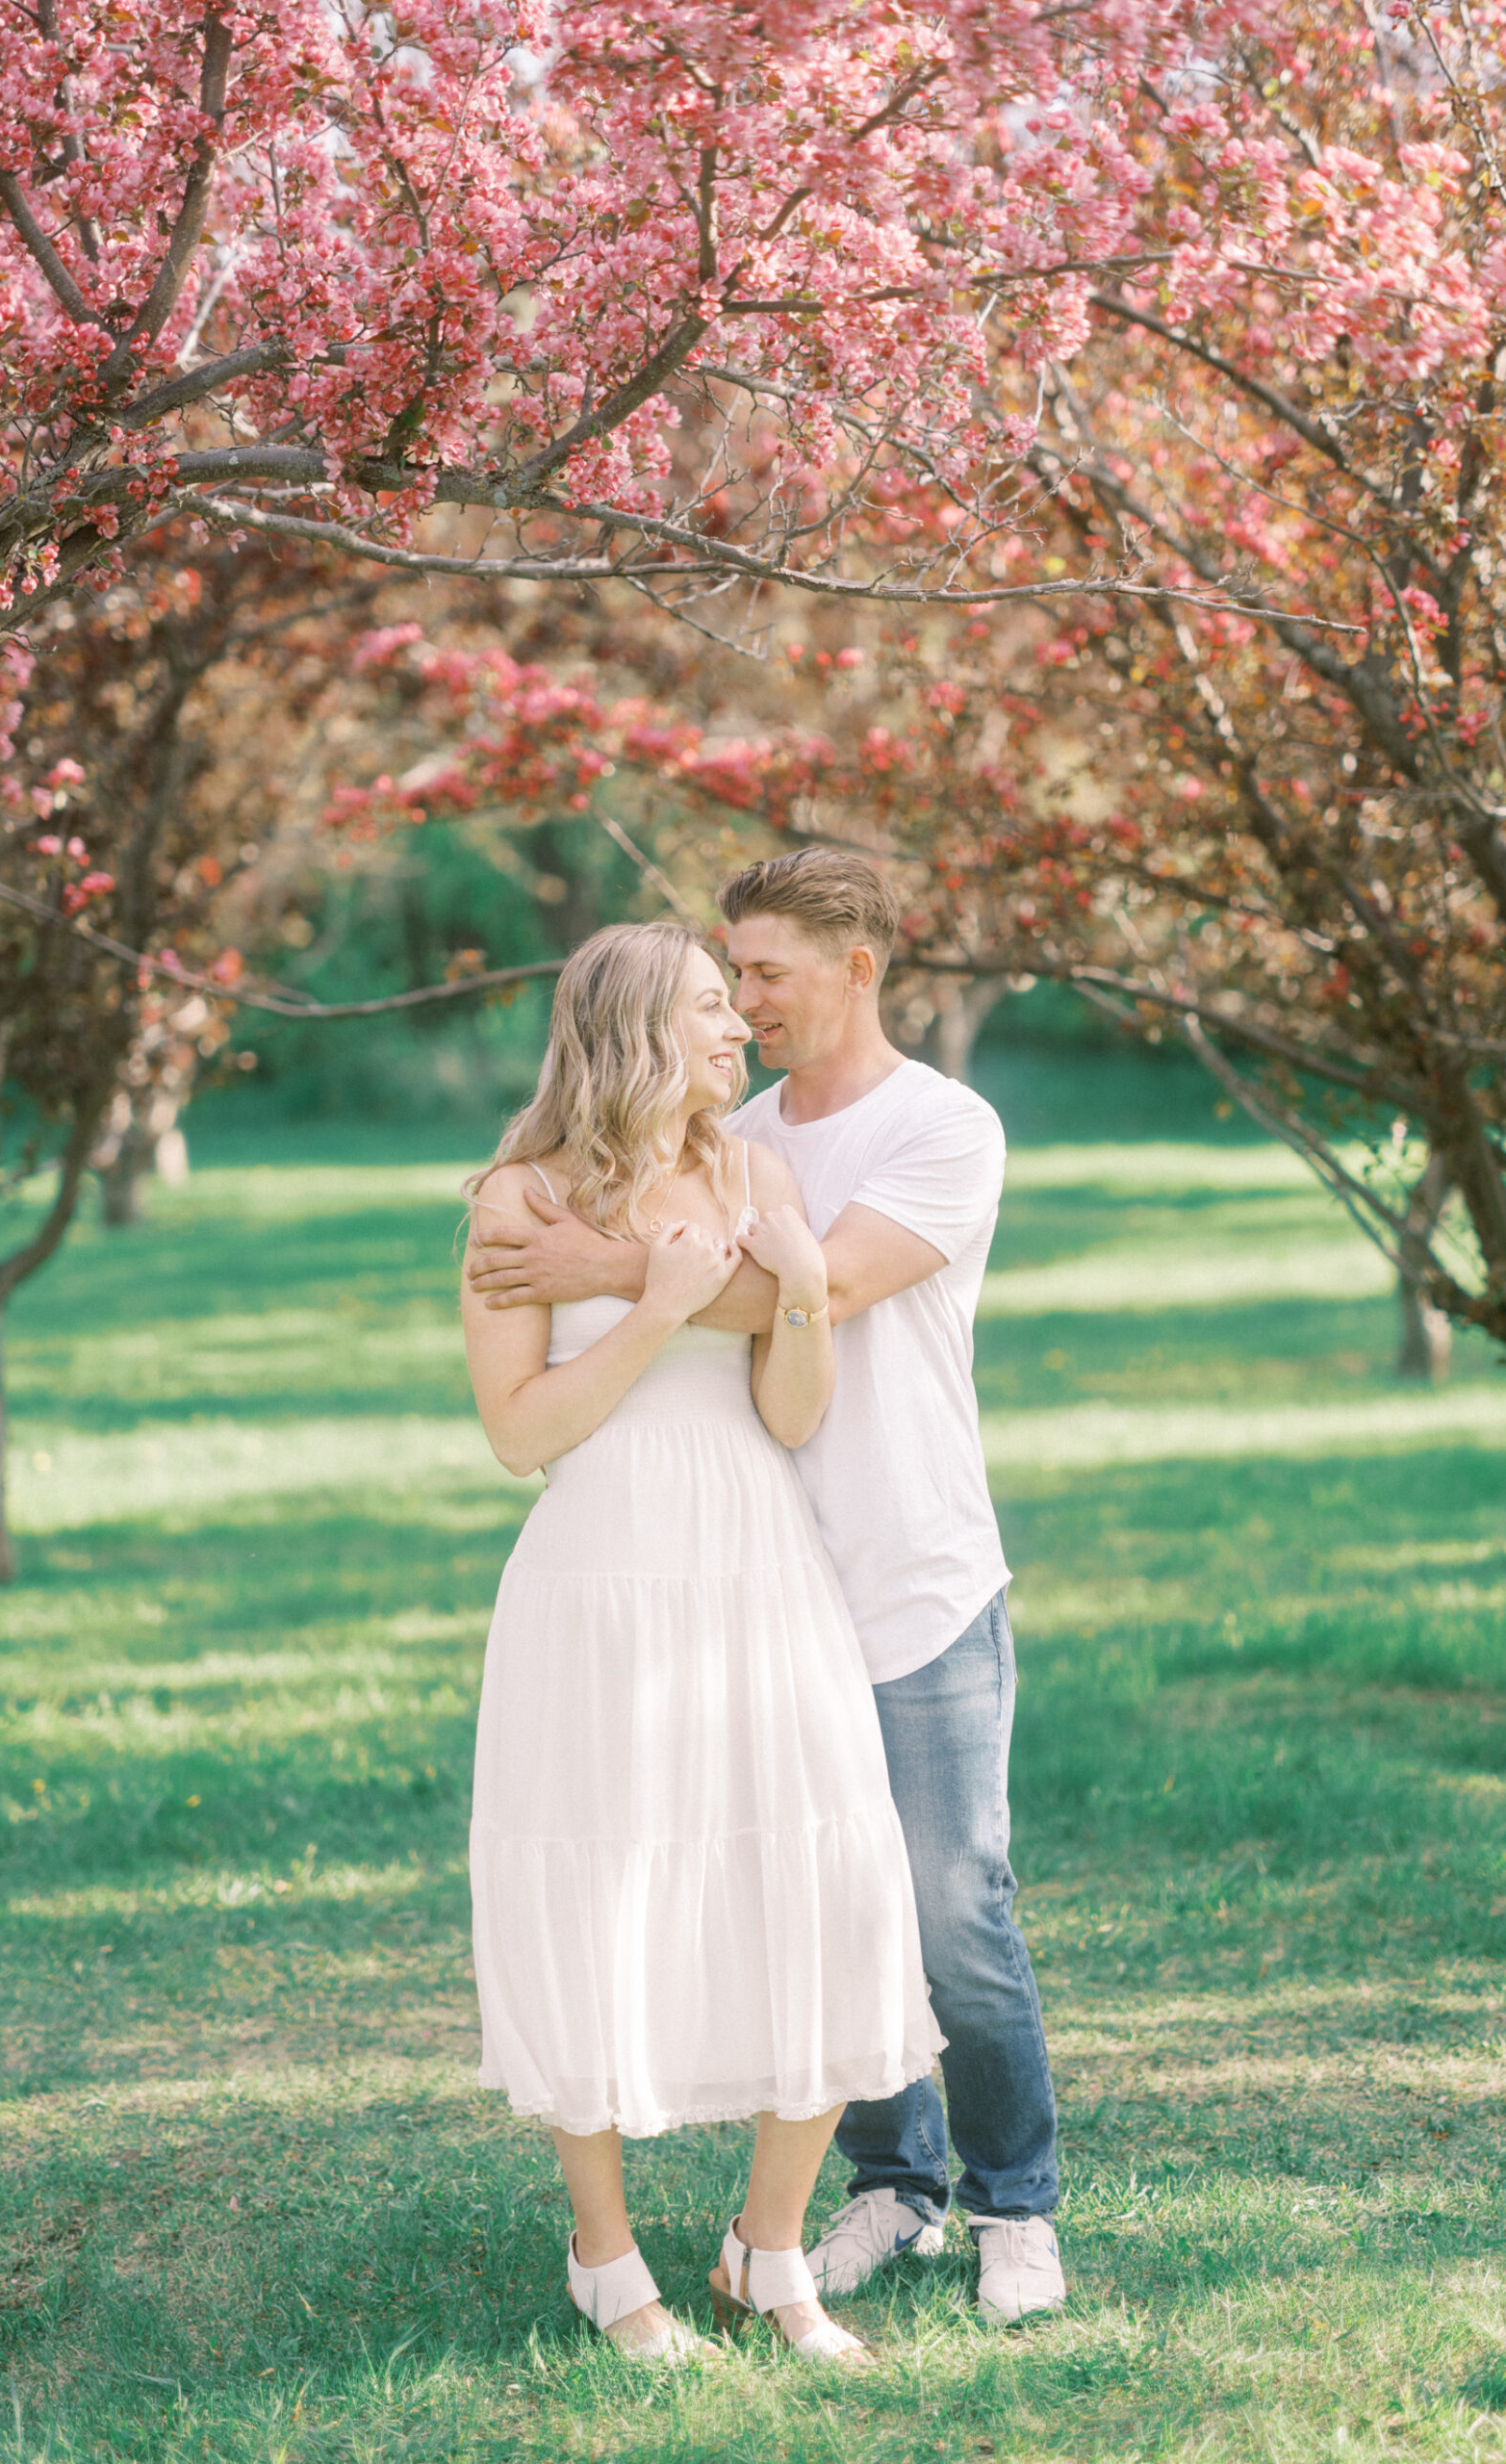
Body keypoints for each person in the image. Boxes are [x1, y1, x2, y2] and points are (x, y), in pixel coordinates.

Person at [468, 851, 1065, 2328]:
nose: (744, 1003)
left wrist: (612, 1266)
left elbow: (826, 1301)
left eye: (767, 974)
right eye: (722, 982)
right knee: (766, 1884)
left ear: (855, 969)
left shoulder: (941, 1127)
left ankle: (1013, 2208)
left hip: (905, 1566)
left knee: (939, 1906)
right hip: (707, 1574)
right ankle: (874, 2192)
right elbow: (582, 1383)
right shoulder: (715, 1139)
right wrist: (633, 1268)